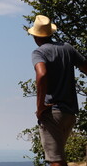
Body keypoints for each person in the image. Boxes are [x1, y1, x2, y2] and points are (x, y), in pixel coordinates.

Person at [28, 15, 87, 166]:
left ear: (35, 36)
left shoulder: (39, 53)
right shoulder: (67, 49)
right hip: (70, 113)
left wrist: (40, 106)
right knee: (59, 156)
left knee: (56, 161)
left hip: (52, 113)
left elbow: (41, 74)